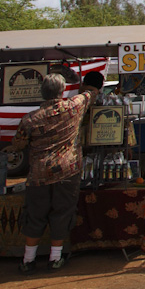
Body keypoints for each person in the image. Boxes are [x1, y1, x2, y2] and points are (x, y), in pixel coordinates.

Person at [5, 71, 100, 273]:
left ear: (42, 92)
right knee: (62, 213)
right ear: (62, 90)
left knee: (35, 215)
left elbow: (18, 144)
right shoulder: (74, 106)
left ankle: (28, 260)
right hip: (67, 171)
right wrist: (84, 87)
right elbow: (91, 93)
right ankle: (55, 258)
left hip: (38, 175)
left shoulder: (30, 119)